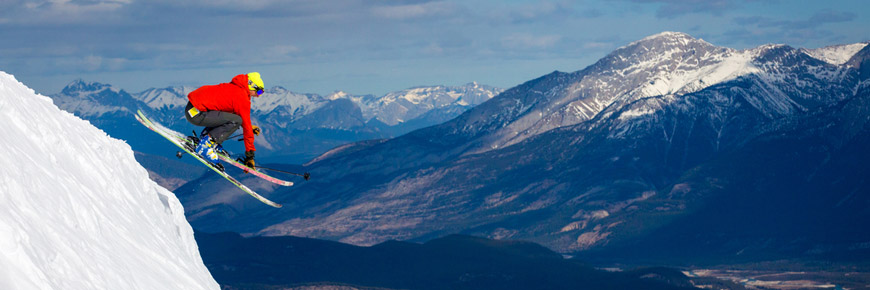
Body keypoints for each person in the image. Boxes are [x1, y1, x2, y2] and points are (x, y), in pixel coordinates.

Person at [184, 72, 264, 169]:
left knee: (234, 118)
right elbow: (243, 122)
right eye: (259, 92)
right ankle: (206, 145)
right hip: (196, 114)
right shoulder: (241, 97)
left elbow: (228, 114)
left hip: (192, 108)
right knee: (236, 121)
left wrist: (249, 127)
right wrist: (250, 157)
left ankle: (207, 138)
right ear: (251, 85)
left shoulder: (235, 88)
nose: (259, 96)